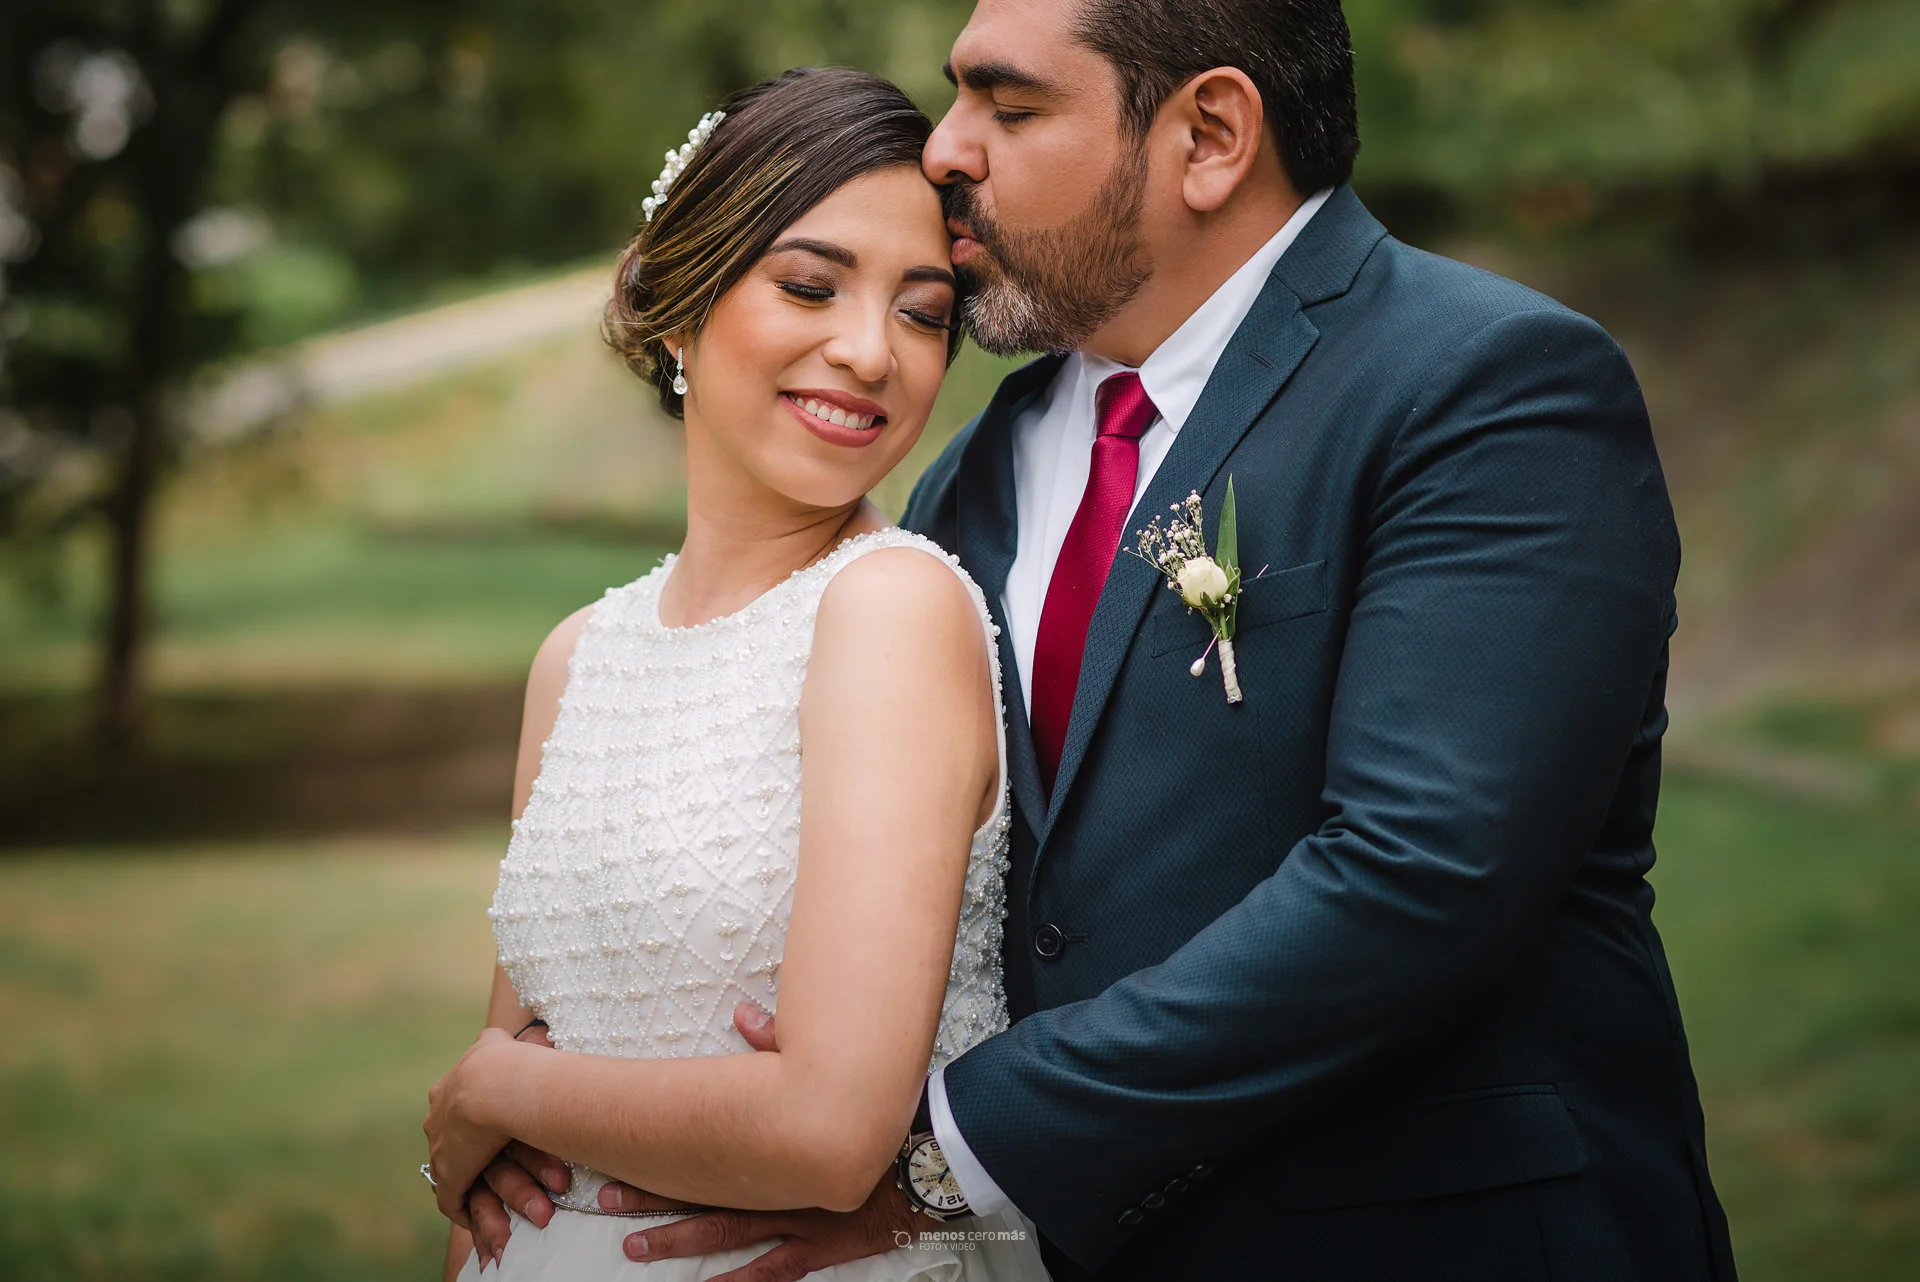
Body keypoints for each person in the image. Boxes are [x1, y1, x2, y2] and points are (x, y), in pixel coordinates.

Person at [484, 0, 1744, 1279]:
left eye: (1010, 105)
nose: (945, 149)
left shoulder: (1486, 384)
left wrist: (955, 1154)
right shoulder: (972, 476)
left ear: (1210, 136)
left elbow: (1423, 875)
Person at [420, 66, 1052, 1281]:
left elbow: (827, 1135)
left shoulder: (890, 609)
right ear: (680, 304)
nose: (869, 352)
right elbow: (491, 1169)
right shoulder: (578, 657)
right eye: (810, 286)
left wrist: (501, 1084)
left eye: (924, 314)